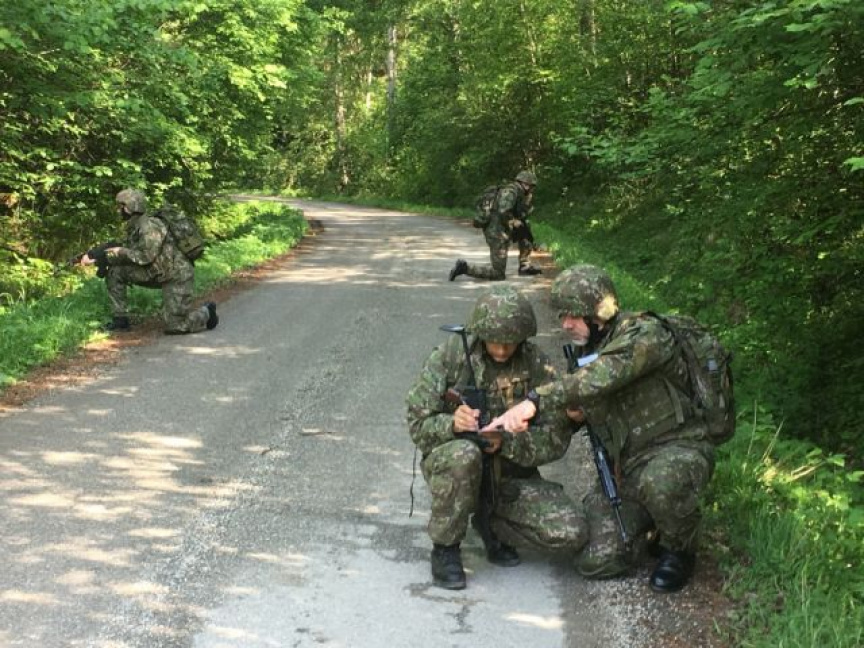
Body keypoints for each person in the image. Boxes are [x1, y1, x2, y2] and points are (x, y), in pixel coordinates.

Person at [483, 265, 716, 593]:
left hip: (676, 449)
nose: (565, 324)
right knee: (595, 560)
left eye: (573, 315)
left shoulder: (646, 335)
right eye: (562, 315)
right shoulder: (585, 353)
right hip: (626, 469)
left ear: (599, 313)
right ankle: (651, 522)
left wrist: (534, 400)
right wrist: (558, 421)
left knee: (660, 483)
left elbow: (602, 375)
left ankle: (680, 549)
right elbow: (568, 419)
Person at [406, 285, 587, 590]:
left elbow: (557, 436)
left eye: (510, 343)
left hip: (509, 471)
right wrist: (453, 425)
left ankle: (493, 523)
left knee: (571, 532)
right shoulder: (451, 357)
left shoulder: (536, 364)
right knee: (465, 455)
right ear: (480, 333)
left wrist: (508, 443)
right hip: (455, 461)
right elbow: (417, 423)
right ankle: (446, 548)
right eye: (495, 342)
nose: (502, 351)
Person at [79, 189, 218, 334]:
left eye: (120, 206)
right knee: (115, 271)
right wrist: (96, 255)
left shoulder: (149, 227)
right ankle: (120, 320)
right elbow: (123, 246)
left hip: (177, 276)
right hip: (156, 272)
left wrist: (121, 251)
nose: (118, 210)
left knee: (177, 326)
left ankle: (207, 312)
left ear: (129, 207)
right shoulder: (135, 225)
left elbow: (145, 257)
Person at [449, 170, 542, 282]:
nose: (532, 190)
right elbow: (503, 211)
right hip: (496, 232)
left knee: (525, 231)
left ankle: (524, 266)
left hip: (503, 228)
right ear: (526, 184)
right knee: (498, 274)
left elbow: (521, 214)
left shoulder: (519, 193)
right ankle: (465, 268)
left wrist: (526, 204)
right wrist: (513, 221)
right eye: (532, 186)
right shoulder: (511, 192)